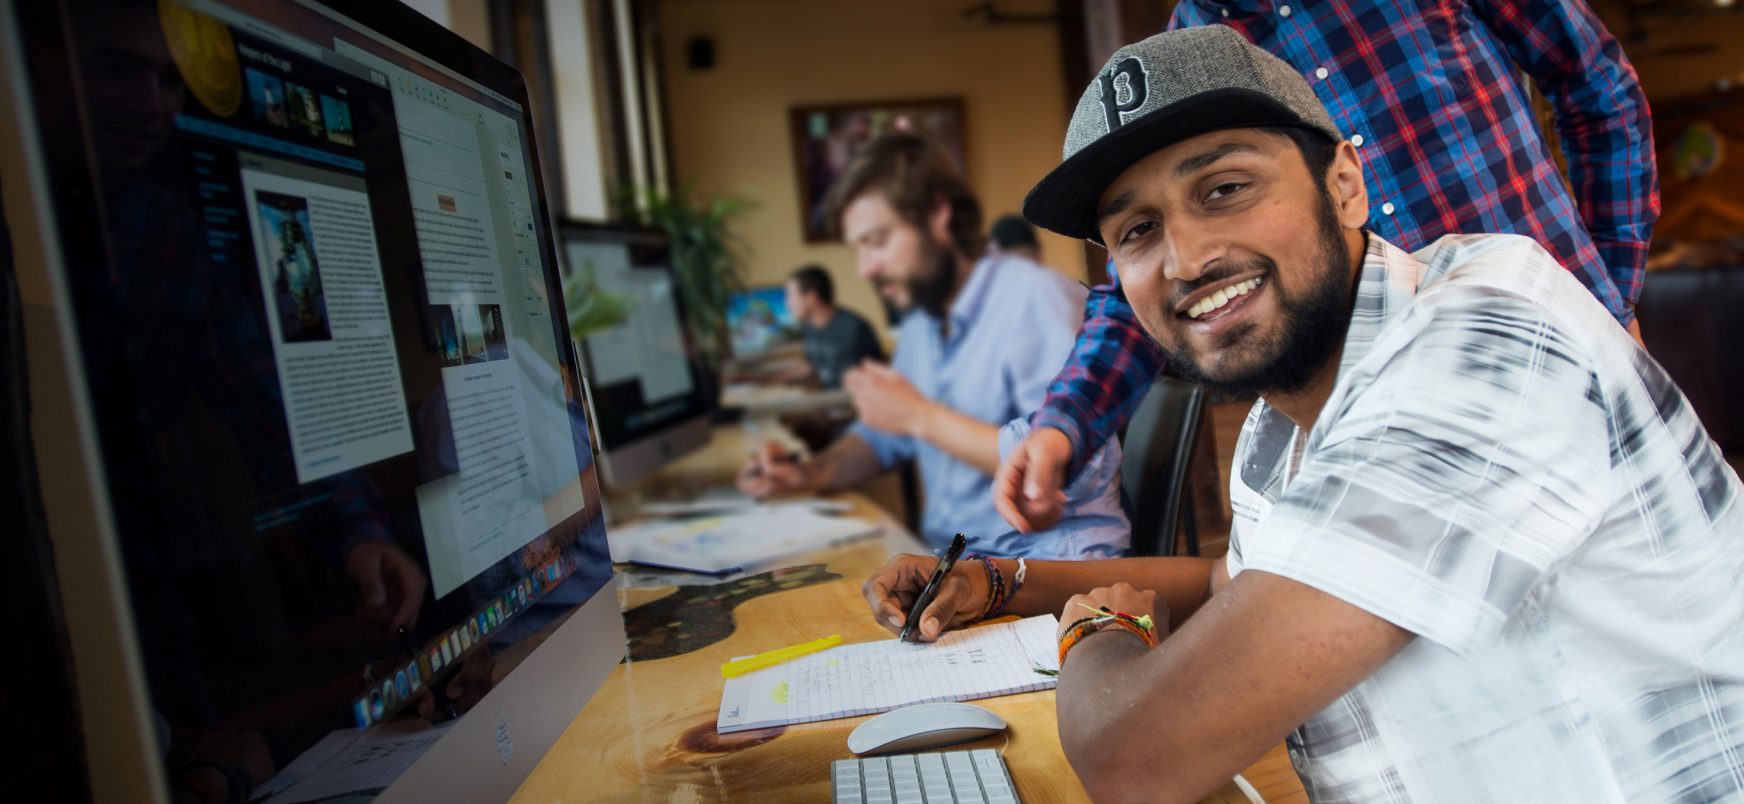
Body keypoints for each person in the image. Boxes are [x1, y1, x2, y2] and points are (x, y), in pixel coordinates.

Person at [864, 27, 1743, 802]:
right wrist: (1006, 583)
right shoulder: (1279, 423)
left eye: (1224, 189)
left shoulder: (1486, 336)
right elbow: (1236, 586)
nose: (1188, 258)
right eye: (1136, 231)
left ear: (1347, 185)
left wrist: (1101, 626)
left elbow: (1136, 761)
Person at [993, 0, 1659, 536]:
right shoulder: (1189, 62)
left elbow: (1595, 84)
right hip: (1385, 423)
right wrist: (1066, 421)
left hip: (1557, 350)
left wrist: (1609, 298)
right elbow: (1151, 267)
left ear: (1348, 180)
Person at [737, 133, 1128, 560]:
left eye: (877, 240)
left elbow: (1073, 467)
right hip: (961, 566)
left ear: (937, 213)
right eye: (858, 249)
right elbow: (885, 437)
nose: (865, 268)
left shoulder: (1035, 298)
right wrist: (808, 472)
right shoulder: (922, 322)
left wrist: (921, 417)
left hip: (1049, 573)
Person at [780, 264, 884, 388]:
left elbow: (865, 382)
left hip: (851, 402)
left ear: (811, 298)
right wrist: (763, 379)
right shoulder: (809, 326)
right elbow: (811, 366)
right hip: (831, 401)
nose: (787, 303)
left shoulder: (852, 328)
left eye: (790, 296)